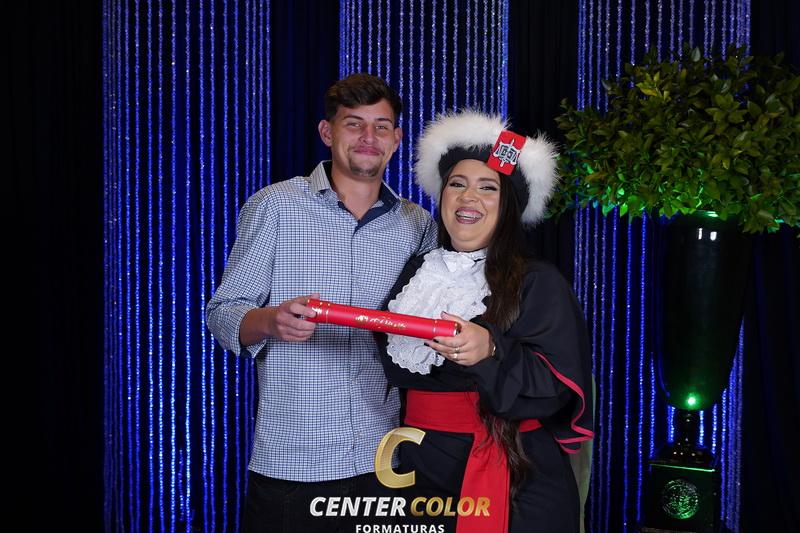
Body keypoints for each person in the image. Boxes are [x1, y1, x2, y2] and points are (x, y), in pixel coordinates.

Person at [206, 73, 437, 533]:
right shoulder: (275, 206)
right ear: (327, 132)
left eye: (381, 126)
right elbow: (223, 313)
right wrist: (271, 321)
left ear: (396, 140)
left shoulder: (418, 225)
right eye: (354, 124)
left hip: (384, 460)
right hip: (294, 462)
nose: (368, 137)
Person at [377, 110, 594, 533]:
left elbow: (557, 390)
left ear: (508, 205)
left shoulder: (539, 281)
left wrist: (491, 349)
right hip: (420, 470)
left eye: (488, 187)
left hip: (516, 478)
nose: (468, 198)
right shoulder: (417, 272)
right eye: (457, 184)